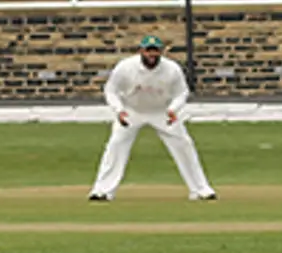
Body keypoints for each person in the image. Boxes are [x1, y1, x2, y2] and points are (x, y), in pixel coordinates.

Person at [88, 35, 218, 202]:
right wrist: (118, 110)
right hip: (131, 111)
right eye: (148, 51)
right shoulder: (125, 67)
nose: (152, 54)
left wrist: (173, 109)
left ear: (161, 52)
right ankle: (102, 191)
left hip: (162, 112)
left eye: (155, 51)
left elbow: (182, 93)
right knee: (116, 145)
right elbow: (111, 90)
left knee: (184, 145)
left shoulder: (172, 69)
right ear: (141, 51)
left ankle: (200, 190)